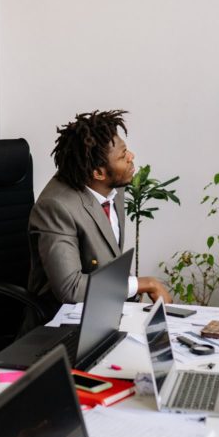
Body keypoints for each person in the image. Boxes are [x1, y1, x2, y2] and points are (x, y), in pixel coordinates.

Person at [23, 109, 172, 335]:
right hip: (61, 328)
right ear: (98, 173)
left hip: (103, 314)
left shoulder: (113, 186)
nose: (131, 156)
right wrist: (142, 283)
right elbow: (71, 289)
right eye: (123, 156)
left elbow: (107, 257)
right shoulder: (56, 207)